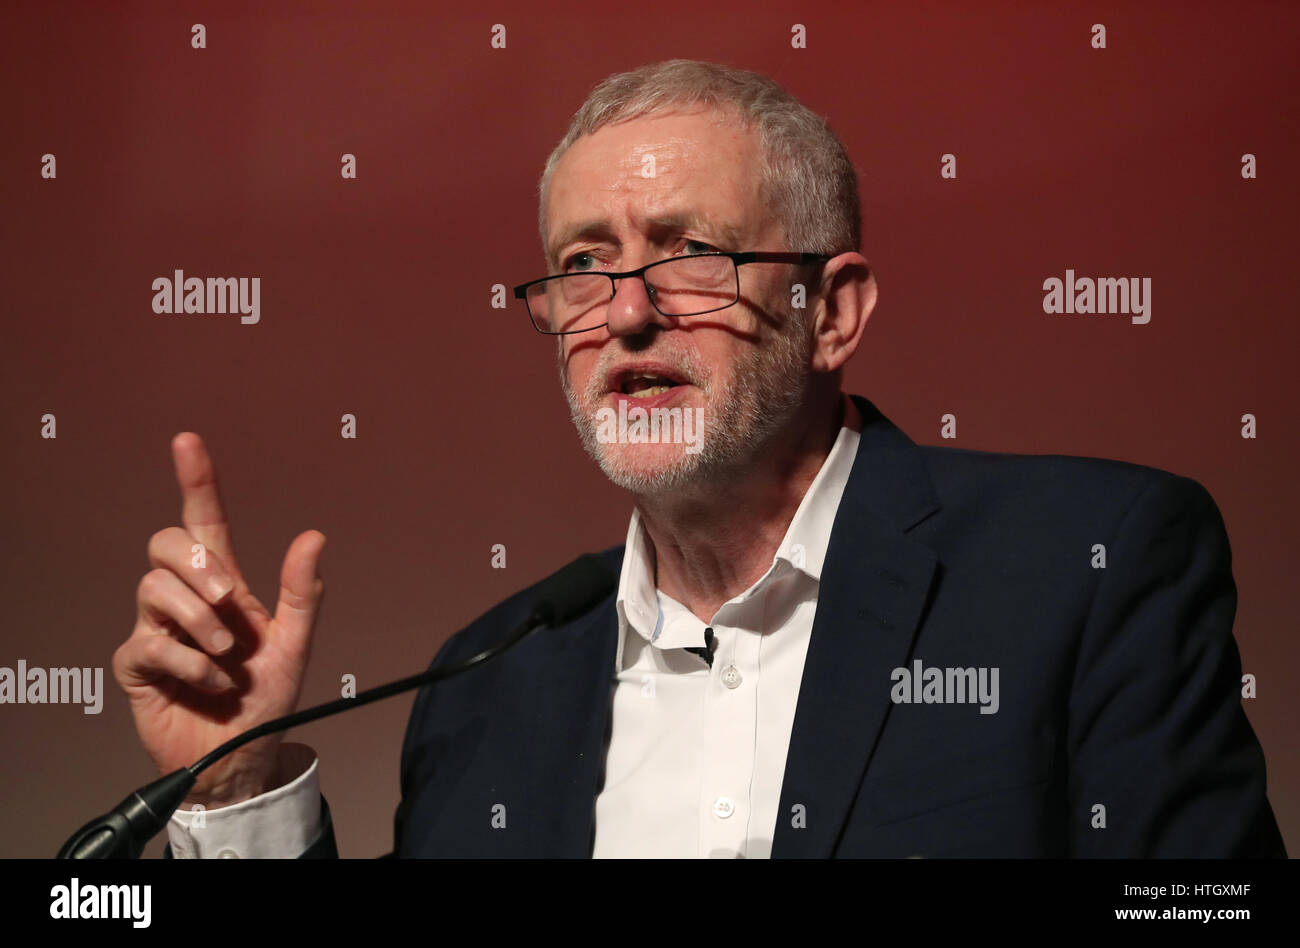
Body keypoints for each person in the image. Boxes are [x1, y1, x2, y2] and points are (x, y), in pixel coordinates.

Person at [113, 59, 1286, 858]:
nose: (623, 315)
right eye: (582, 262)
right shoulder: (489, 684)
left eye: (688, 254)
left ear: (831, 311)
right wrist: (234, 782)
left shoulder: (1085, 568)